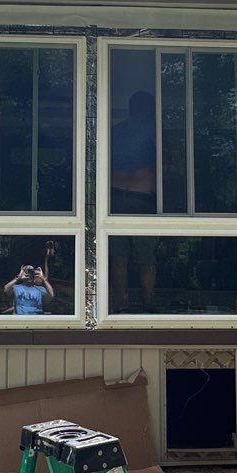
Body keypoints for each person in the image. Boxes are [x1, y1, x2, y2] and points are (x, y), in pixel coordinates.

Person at [108, 89, 159, 309]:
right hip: (141, 198)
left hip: (116, 196)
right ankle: (148, 304)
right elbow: (167, 159)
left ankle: (121, 304)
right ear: (149, 109)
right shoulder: (152, 129)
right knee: (146, 256)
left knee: (119, 256)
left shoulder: (114, 131)